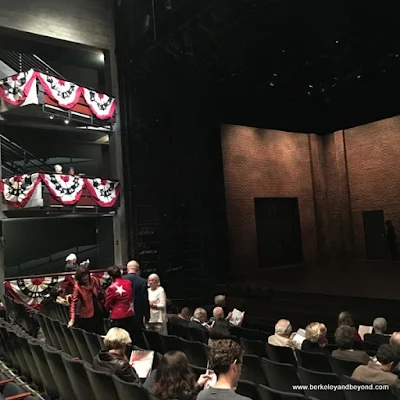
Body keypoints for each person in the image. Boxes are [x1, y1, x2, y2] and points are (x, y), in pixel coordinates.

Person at [145, 351, 211, 399]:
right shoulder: (180, 388)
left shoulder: (154, 375)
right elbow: (187, 396)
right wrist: (198, 385)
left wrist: (198, 384)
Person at [68, 265, 104, 334]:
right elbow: (73, 303)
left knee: (100, 332)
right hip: (87, 314)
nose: (85, 278)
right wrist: (72, 319)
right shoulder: (78, 287)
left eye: (86, 275)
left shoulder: (95, 280)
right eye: (83, 276)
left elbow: (102, 292)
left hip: (98, 310)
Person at [105, 266, 135, 340]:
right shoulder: (128, 283)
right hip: (129, 313)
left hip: (118, 317)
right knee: (129, 337)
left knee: (118, 339)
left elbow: (107, 304)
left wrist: (110, 309)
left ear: (111, 277)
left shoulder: (111, 288)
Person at [123, 260, 149, 343]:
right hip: (138, 315)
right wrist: (147, 316)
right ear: (138, 270)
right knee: (137, 340)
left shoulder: (121, 280)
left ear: (127, 269)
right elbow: (145, 301)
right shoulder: (143, 282)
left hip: (124, 316)